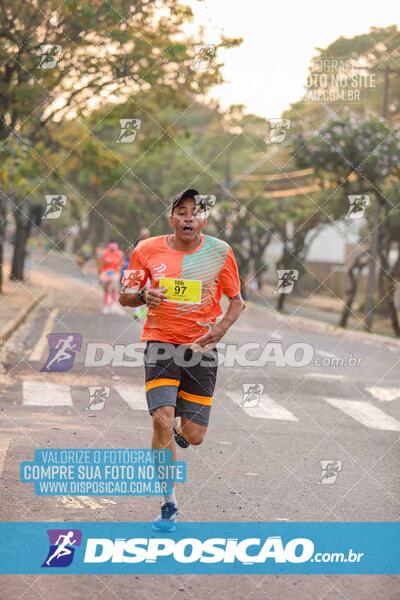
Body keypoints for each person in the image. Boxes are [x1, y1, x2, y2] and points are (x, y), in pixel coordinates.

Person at [119, 189, 244, 531]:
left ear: (204, 220)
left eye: (196, 212)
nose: (189, 217)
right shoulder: (146, 250)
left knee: (194, 434)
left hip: (201, 348)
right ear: (171, 218)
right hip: (160, 344)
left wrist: (219, 330)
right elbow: (124, 296)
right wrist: (144, 295)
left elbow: (236, 302)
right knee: (161, 418)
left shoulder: (221, 252)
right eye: (182, 211)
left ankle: (179, 426)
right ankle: (168, 502)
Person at [100, 241, 123, 314]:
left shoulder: (119, 253)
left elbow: (120, 264)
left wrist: (117, 273)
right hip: (106, 273)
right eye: (111, 249)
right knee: (107, 290)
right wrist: (105, 262)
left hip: (115, 273)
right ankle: (106, 305)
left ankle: (113, 304)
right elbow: (102, 263)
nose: (112, 250)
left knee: (114, 290)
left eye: (114, 249)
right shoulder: (105, 252)